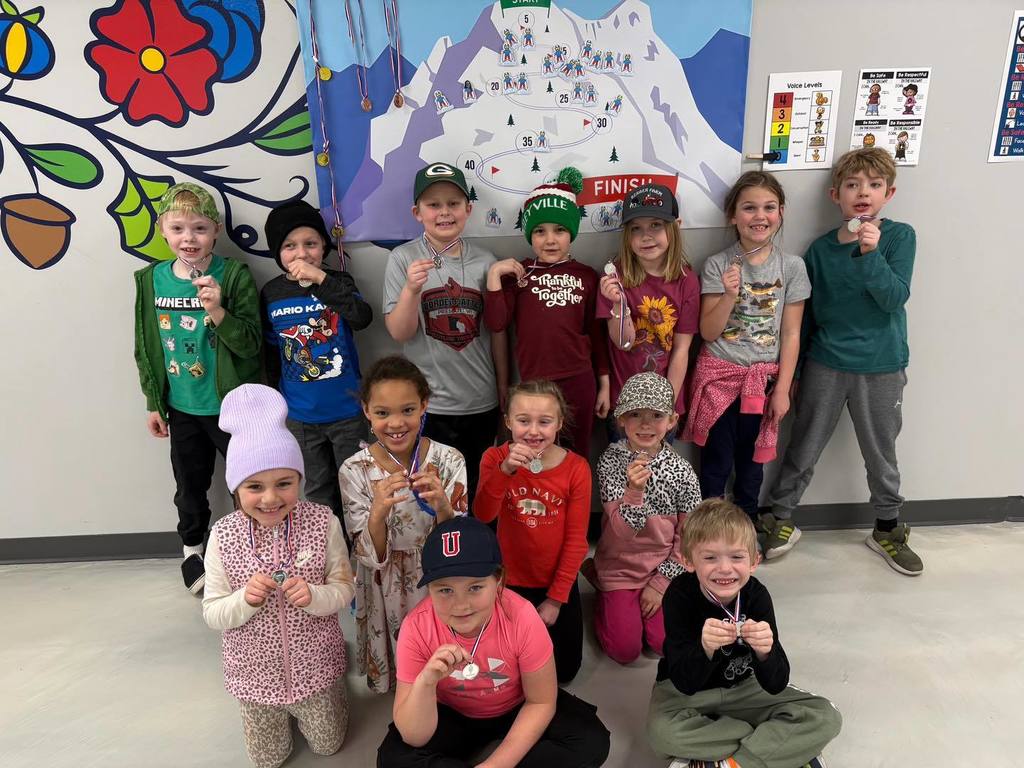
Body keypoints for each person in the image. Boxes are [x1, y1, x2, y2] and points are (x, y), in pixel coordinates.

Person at [764, 148, 923, 575]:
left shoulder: (899, 237)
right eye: (853, 185)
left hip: (882, 364)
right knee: (804, 443)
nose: (863, 193)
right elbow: (807, 317)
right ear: (836, 194)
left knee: (881, 451)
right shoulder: (818, 251)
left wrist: (870, 254)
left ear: (889, 193)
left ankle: (887, 527)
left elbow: (893, 298)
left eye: (873, 185)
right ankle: (780, 517)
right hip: (826, 362)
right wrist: (793, 373)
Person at [377, 516, 610, 768]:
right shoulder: (416, 627)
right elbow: (414, 735)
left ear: (498, 580)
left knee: (591, 740)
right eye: (445, 590)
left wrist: (497, 765)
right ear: (429, 588)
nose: (461, 605)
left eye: (475, 587)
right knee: (392, 759)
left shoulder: (522, 616)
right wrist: (426, 682)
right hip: (450, 711)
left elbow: (541, 701)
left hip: (516, 705)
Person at [202, 384, 354, 768]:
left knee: (329, 746)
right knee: (267, 761)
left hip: (315, 666)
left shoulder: (323, 522)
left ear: (300, 480)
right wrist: (245, 600)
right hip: (254, 675)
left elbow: (345, 588)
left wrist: (316, 597)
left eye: (284, 483)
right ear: (236, 488)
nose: (270, 498)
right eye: (254, 487)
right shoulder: (223, 535)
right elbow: (213, 613)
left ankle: (334, 692)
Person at [133, 182, 261, 594]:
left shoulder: (234, 274)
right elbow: (145, 344)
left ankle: (254, 549)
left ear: (216, 230)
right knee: (189, 485)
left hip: (231, 405)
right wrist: (154, 400)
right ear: (162, 230)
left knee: (249, 481)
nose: (189, 238)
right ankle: (192, 551)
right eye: (178, 228)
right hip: (182, 406)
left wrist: (218, 311)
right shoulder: (151, 280)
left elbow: (252, 344)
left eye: (200, 228)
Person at [647, 499, 841, 768]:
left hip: (745, 687)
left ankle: (730, 764)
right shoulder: (679, 595)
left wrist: (765, 652)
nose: (725, 568)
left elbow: (776, 682)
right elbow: (684, 682)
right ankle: (779, 747)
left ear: (754, 561)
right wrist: (704, 649)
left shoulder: (757, 596)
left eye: (737, 557)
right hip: (688, 695)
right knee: (661, 734)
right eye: (710, 557)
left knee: (825, 717)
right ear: (688, 561)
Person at [682, 172, 809, 549]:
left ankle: (747, 528)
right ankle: (707, 531)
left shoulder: (792, 268)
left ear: (781, 213)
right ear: (732, 215)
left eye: (769, 207)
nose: (760, 215)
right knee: (715, 460)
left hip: (763, 383)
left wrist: (783, 389)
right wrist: (729, 295)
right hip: (720, 378)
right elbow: (707, 331)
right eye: (749, 207)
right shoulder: (717, 264)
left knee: (753, 461)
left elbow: (791, 334)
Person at [339, 356, 468, 694]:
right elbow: (367, 553)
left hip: (436, 577)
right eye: (382, 412)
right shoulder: (354, 470)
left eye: (408, 410)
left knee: (441, 659)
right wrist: (378, 510)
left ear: (424, 405)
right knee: (401, 671)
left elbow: (460, 544)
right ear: (366, 410)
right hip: (384, 583)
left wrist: (442, 504)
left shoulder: (449, 460)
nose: (396, 423)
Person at [383, 161, 506, 508]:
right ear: (417, 212)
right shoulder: (403, 258)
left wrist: (502, 389)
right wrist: (410, 290)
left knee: (481, 490)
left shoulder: (486, 261)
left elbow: (497, 333)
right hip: (430, 405)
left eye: (453, 203)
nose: (444, 212)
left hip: (481, 401)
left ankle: (479, 557)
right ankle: (440, 556)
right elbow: (399, 332)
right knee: (433, 495)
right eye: (433, 204)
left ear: (468, 209)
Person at [260, 199, 372, 535]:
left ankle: (361, 554)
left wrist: (322, 280)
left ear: (323, 245)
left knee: (357, 490)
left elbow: (362, 317)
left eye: (310, 244)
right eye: (290, 246)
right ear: (277, 254)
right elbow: (269, 353)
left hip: (348, 412)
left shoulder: (339, 282)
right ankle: (329, 550)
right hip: (301, 418)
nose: (301, 254)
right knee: (318, 493)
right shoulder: (271, 293)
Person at [484, 167, 610, 457]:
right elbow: (497, 323)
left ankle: (573, 504)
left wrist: (604, 385)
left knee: (575, 456)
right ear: (530, 234)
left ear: (572, 233)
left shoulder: (587, 276)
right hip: (534, 386)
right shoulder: (519, 273)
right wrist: (494, 276)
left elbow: (596, 334)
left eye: (560, 230)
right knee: (535, 454)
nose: (550, 240)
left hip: (579, 379)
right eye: (540, 231)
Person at [474, 380, 590, 683]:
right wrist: (505, 472)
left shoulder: (576, 468)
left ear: (559, 424)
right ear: (508, 421)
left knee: (565, 671)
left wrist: (555, 600)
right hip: (510, 580)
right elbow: (483, 514)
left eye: (545, 421)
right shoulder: (494, 458)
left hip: (556, 581)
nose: (534, 431)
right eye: (524, 421)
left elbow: (577, 542)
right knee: (508, 666)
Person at [590, 372, 701, 664]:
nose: (646, 424)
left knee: (664, 644)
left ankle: (634, 603)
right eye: (636, 414)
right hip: (619, 570)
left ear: (672, 421)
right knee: (624, 651)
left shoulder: (682, 471)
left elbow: (690, 537)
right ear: (621, 420)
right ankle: (602, 589)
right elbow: (624, 532)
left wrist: (661, 583)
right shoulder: (610, 462)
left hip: (662, 569)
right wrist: (634, 491)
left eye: (656, 415)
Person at [597, 183, 700, 436]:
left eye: (656, 225)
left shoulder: (687, 281)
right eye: (636, 229)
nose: (646, 236)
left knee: (660, 472)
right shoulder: (615, 277)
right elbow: (622, 342)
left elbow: (681, 349)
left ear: (675, 226)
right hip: (625, 403)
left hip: (663, 404)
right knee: (622, 472)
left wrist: (667, 405)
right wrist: (619, 304)